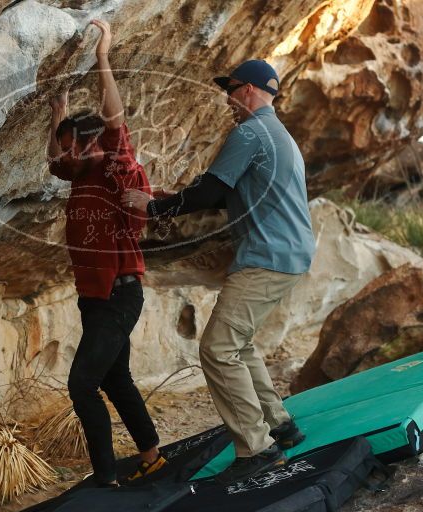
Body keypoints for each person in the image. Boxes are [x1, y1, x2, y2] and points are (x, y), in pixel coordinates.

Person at [122, 59, 315, 484]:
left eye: (230, 91)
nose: (227, 100)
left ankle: (257, 448)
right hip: (289, 253)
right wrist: (176, 198)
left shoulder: (249, 131)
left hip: (268, 256)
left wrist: (152, 207)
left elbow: (210, 189)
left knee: (216, 348)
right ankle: (280, 424)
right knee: (237, 342)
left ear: (247, 90)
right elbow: (217, 194)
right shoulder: (277, 134)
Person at [47, 19, 165, 487]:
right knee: (115, 379)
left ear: (93, 143)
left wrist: (102, 57)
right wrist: (57, 113)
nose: (67, 154)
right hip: (95, 298)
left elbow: (115, 121)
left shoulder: (119, 168)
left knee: (82, 384)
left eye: (74, 144)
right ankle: (152, 456)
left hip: (119, 294)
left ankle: (105, 478)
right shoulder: (80, 174)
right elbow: (57, 164)